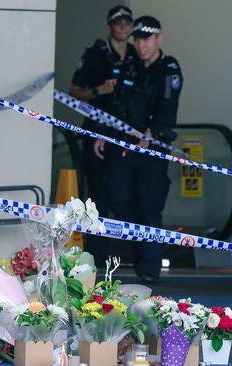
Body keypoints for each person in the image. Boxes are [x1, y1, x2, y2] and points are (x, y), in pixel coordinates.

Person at [95, 15, 183, 283]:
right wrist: (104, 135)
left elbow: (168, 109)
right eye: (138, 39)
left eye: (147, 39)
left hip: (153, 148)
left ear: (159, 39)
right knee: (117, 198)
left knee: (150, 205)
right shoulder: (130, 65)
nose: (141, 45)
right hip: (125, 146)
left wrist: (151, 134)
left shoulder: (169, 69)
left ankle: (149, 267)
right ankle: (145, 247)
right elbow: (117, 105)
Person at [67, 5, 137, 262]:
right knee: (97, 195)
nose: (122, 27)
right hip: (96, 133)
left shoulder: (137, 55)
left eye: (127, 22)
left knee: (126, 193)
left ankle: (135, 254)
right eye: (118, 22)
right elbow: (74, 91)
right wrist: (100, 90)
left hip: (130, 136)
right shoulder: (95, 54)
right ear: (110, 25)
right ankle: (98, 255)